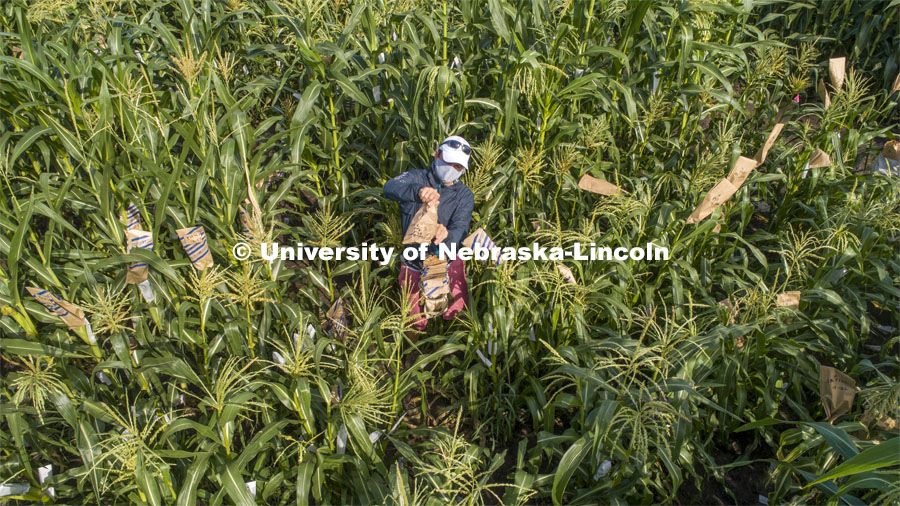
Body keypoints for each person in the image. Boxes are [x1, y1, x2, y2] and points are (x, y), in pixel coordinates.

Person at [384, 135, 474, 334]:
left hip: (447, 263)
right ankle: (411, 358)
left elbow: (460, 227)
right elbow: (390, 187)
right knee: (413, 321)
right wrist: (418, 192)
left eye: (457, 167)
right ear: (436, 154)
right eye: (447, 162)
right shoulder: (416, 178)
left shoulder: (465, 196)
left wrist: (447, 234)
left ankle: (453, 350)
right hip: (414, 264)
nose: (451, 168)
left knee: (458, 312)